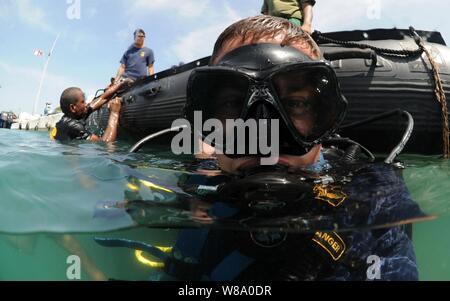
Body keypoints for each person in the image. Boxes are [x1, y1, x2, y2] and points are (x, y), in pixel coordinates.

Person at [95, 15, 423, 281]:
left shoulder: (374, 191)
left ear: (328, 118)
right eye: (232, 105)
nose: (263, 137)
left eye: (294, 103)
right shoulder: (198, 181)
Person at [51, 84, 122, 142]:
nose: (86, 104)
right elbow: (106, 143)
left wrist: (121, 83)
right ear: (73, 107)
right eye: (83, 102)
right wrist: (114, 113)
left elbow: (102, 99)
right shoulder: (73, 126)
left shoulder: (75, 114)